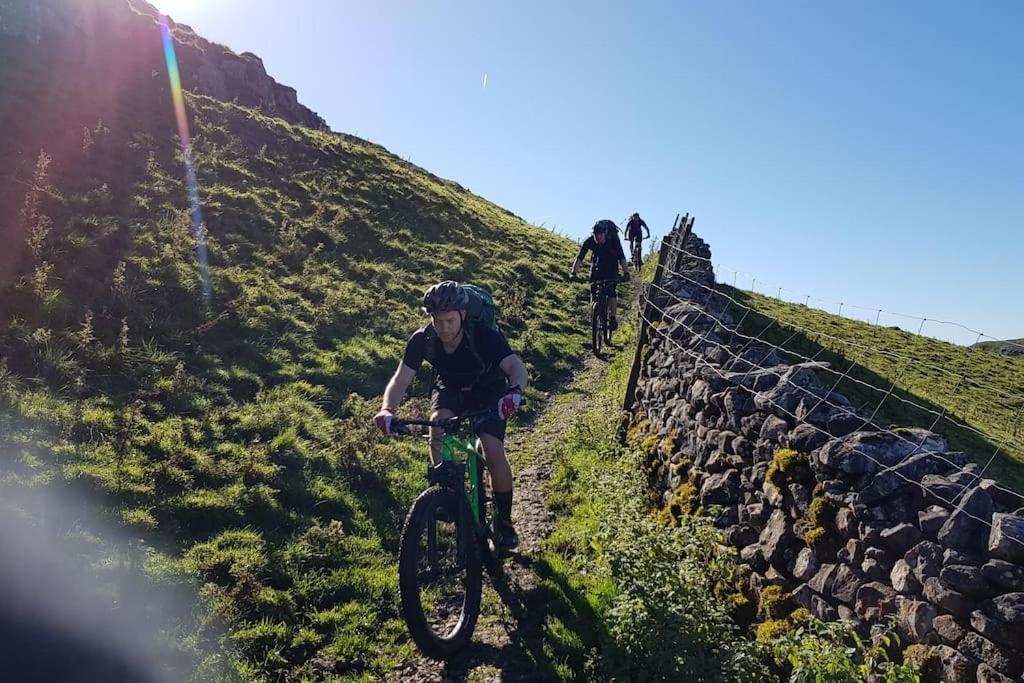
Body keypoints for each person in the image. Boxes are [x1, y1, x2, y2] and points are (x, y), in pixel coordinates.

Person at [374, 281, 529, 550]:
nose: (444, 328)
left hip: (489, 389)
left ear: (463, 315)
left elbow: (515, 366)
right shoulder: (423, 340)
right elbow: (400, 380)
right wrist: (387, 409)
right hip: (449, 387)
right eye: (437, 321)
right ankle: (445, 491)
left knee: (492, 449)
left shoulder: (483, 335)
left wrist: (514, 392)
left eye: (449, 320)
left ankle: (504, 522)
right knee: (437, 428)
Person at [571, 219, 630, 331]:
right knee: (593, 290)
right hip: (597, 267)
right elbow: (580, 257)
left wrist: (626, 273)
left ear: (605, 233)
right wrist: (573, 272)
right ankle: (594, 315)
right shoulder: (589, 241)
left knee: (611, 292)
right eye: (595, 234)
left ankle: (612, 318)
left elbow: (621, 257)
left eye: (600, 234)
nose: (598, 237)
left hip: (611, 267)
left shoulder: (613, 240)